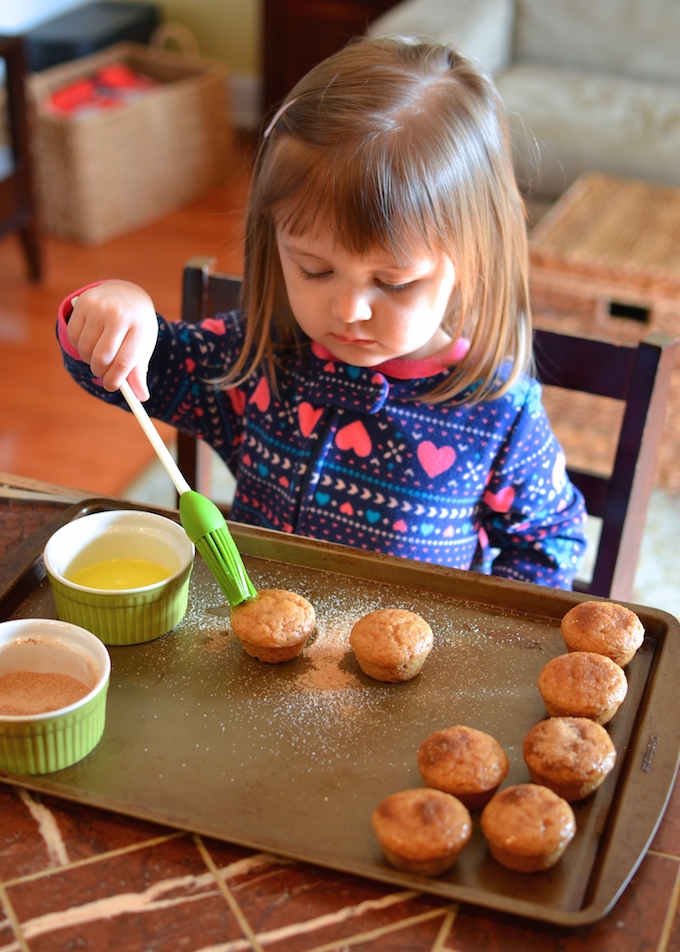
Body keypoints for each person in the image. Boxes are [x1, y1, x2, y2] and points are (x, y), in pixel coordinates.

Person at [56, 35, 586, 589]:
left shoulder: (498, 413)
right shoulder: (258, 357)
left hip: (406, 665)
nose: (350, 309)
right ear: (274, 240)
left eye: (392, 281)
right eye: (315, 269)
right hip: (256, 639)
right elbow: (129, 377)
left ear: (473, 259)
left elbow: (549, 544)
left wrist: (492, 638)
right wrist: (119, 314)